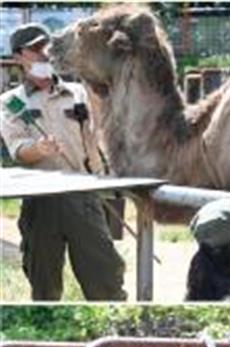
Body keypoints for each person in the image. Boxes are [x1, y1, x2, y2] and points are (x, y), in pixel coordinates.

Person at [0, 23, 126, 300]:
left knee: (105, 282)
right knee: (44, 286)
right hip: (40, 202)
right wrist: (39, 149)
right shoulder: (10, 103)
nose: (44, 53)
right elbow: (17, 149)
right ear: (19, 57)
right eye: (34, 49)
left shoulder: (79, 92)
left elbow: (101, 136)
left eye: (46, 46)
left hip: (83, 195)